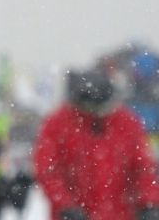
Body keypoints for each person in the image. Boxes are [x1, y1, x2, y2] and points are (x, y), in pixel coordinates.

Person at [34, 70, 159, 220]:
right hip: (76, 215)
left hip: (121, 214)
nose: (98, 114)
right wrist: (65, 205)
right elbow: (48, 171)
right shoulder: (57, 125)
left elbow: (143, 168)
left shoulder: (127, 123)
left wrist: (149, 202)